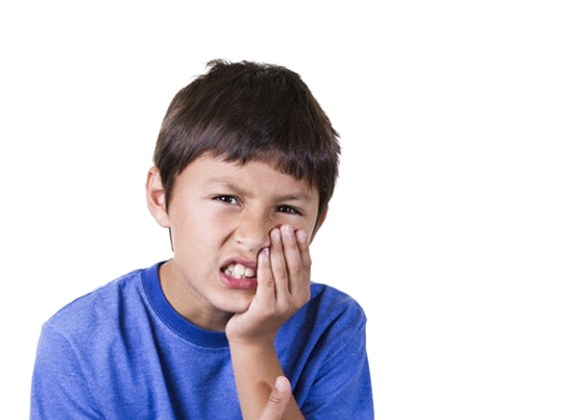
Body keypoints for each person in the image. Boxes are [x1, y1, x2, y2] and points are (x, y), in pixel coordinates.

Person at [31, 60, 373, 419]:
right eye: (227, 199)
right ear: (160, 197)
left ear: (317, 223)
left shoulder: (332, 325)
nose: (255, 237)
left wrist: (253, 343)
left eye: (286, 208)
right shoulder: (79, 343)